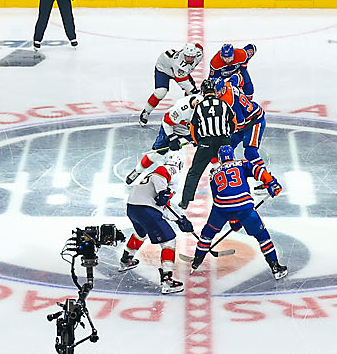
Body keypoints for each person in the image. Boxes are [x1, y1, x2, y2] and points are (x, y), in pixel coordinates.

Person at [187, 146, 288, 280]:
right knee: (262, 236)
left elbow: (216, 197)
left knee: (207, 234)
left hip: (221, 209)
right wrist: (271, 183)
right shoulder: (241, 163)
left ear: (220, 159)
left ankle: (196, 261)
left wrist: (232, 219)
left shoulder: (213, 174)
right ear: (232, 156)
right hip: (244, 207)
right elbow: (258, 170)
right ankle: (275, 267)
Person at [117, 150, 190, 294]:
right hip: (146, 209)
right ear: (179, 163)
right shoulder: (170, 170)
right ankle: (167, 281)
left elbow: (163, 206)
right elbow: (160, 173)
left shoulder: (155, 177)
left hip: (133, 208)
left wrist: (179, 219)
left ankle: (126, 260)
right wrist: (163, 191)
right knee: (169, 241)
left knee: (140, 233)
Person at [177, 80, 238, 204]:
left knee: (194, 172)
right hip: (224, 143)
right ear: (214, 91)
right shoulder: (224, 104)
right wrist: (227, 135)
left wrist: (198, 141)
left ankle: (185, 201)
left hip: (206, 143)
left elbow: (193, 128)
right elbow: (233, 124)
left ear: (203, 91)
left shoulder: (199, 107)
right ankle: (235, 195)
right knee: (230, 169)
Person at [138, 44, 203, 124]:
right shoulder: (178, 63)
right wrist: (194, 92)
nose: (189, 59)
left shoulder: (199, 54)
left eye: (192, 57)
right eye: (187, 56)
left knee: (191, 94)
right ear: (183, 54)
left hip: (178, 70)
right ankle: (146, 112)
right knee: (160, 92)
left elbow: (199, 47)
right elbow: (184, 82)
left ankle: (190, 114)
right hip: (164, 70)